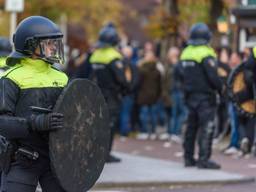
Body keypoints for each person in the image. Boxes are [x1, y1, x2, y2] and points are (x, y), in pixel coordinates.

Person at [0, 16, 68, 192]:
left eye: (55, 42)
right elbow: (2, 123)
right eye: (49, 42)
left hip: (57, 160)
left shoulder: (61, 78)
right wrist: (36, 123)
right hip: (23, 159)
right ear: (31, 45)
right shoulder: (11, 78)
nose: (54, 47)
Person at [180, 23, 223, 169]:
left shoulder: (185, 52)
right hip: (205, 97)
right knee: (207, 128)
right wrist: (221, 89)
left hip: (189, 96)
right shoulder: (206, 53)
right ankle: (203, 159)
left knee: (190, 128)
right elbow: (213, 76)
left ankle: (188, 158)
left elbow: (178, 74)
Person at [89, 23, 130, 163]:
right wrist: (126, 90)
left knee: (98, 125)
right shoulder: (114, 57)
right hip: (112, 96)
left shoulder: (95, 55)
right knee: (109, 125)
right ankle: (106, 154)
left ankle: (95, 152)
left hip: (96, 94)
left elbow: (91, 76)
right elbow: (122, 79)